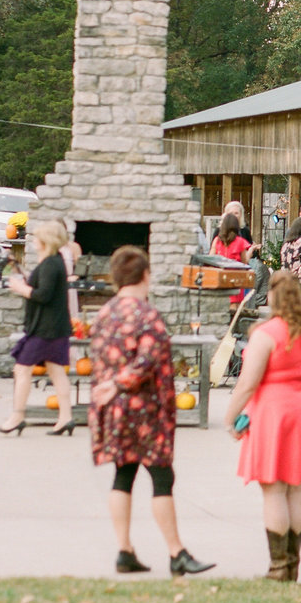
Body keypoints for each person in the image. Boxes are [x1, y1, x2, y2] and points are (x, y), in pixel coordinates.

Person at [88, 246, 213, 576]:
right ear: (145, 275)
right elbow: (146, 361)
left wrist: (109, 389)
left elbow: (98, 361)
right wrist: (119, 383)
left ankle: (124, 550)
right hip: (147, 411)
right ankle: (177, 553)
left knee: (123, 474)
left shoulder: (102, 315)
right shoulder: (147, 316)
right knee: (161, 477)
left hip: (113, 412)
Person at [227, 269, 301, 579]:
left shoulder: (266, 333)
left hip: (274, 412)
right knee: (295, 487)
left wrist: (230, 416)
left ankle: (278, 567)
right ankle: (293, 566)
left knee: (273, 490)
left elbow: (247, 383)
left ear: (272, 297)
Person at [3, 219, 74, 435]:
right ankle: (66, 418)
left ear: (46, 241)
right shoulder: (53, 261)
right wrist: (25, 283)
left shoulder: (51, 263)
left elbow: (43, 295)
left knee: (22, 368)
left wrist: (21, 287)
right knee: (56, 371)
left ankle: (17, 416)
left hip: (46, 329)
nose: (34, 240)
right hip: (53, 327)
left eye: (37, 237)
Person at [212, 212, 254, 308]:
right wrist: (251, 251)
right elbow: (245, 262)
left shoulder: (217, 241)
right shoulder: (240, 242)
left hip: (220, 280)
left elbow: (211, 258)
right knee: (235, 310)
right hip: (236, 281)